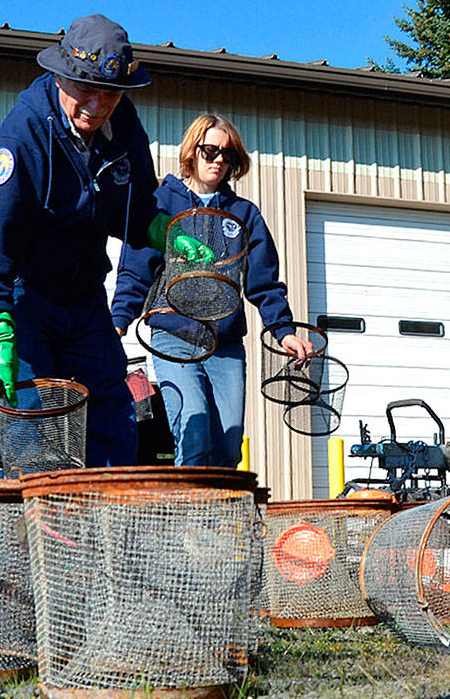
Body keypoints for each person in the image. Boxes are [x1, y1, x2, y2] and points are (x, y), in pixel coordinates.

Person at [0, 13, 166, 468]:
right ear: (61, 77)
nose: (98, 105)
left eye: (111, 92)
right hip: (27, 296)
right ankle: (22, 532)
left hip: (85, 300)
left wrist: (162, 229)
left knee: (112, 418)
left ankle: (103, 529)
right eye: (86, 90)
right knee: (27, 423)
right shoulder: (23, 135)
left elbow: (134, 207)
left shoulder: (126, 128)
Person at [112, 114, 314, 467]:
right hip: (173, 336)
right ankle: (188, 520)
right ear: (192, 151)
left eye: (227, 155)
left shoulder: (244, 215)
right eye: (210, 150)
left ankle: (218, 520)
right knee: (195, 431)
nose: (218, 160)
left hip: (225, 345)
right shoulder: (161, 204)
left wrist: (284, 332)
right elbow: (136, 270)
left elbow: (264, 283)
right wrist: (118, 322)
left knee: (227, 447)